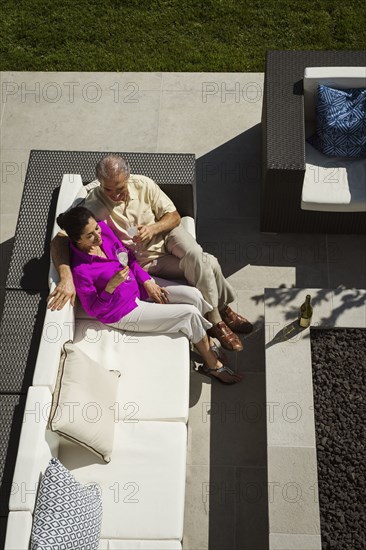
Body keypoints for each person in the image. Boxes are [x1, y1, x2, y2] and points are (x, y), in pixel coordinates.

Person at [48, 155, 253, 351]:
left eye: (119, 188)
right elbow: (61, 238)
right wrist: (66, 277)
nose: (115, 195)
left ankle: (216, 319)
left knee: (197, 256)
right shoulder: (94, 204)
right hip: (147, 259)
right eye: (108, 189)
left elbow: (173, 216)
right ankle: (223, 310)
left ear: (128, 177)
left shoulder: (143, 184)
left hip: (167, 235)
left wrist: (153, 229)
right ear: (100, 183)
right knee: (210, 263)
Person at [56, 206, 242, 384]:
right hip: (122, 311)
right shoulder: (81, 270)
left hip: (138, 285)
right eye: (90, 235)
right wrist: (109, 288)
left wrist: (146, 281)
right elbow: (94, 309)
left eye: (96, 228)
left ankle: (201, 338)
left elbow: (127, 256)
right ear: (77, 240)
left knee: (194, 295)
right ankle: (212, 365)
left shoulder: (104, 230)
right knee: (189, 314)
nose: (98, 236)